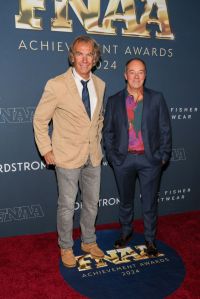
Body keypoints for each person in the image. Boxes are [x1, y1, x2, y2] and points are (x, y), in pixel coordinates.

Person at [33, 35, 105, 268]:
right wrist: (46, 149)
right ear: (72, 56)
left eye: (89, 54)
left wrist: (98, 142)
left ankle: (88, 241)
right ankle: (66, 246)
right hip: (66, 157)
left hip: (93, 155)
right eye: (79, 54)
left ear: (95, 58)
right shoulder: (56, 84)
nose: (84, 59)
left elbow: (98, 119)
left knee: (92, 204)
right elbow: (39, 119)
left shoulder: (100, 84)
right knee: (66, 206)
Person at [103, 58, 171, 256]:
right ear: (125, 75)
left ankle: (150, 240)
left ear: (145, 75)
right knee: (125, 201)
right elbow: (108, 133)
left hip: (150, 160)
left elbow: (165, 129)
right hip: (123, 160)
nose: (136, 76)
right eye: (132, 72)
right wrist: (113, 157)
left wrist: (163, 156)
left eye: (140, 72)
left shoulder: (156, 98)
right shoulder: (114, 100)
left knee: (149, 202)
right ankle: (126, 232)